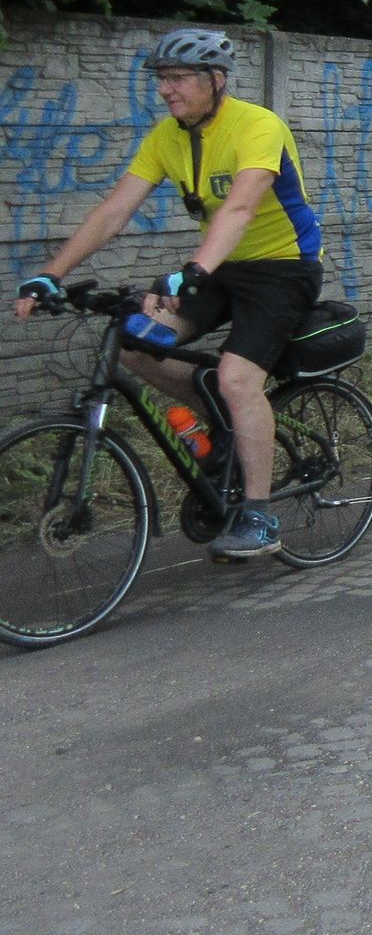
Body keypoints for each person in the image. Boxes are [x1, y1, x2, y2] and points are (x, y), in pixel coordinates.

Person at [13, 28, 326, 561]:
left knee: (237, 377)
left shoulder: (258, 125)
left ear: (216, 80)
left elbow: (240, 207)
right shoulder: (167, 136)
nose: (166, 89)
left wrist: (193, 271)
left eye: (179, 78)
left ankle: (259, 516)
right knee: (137, 341)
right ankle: (222, 418)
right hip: (221, 266)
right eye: (162, 78)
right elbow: (114, 211)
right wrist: (51, 275)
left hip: (283, 268)